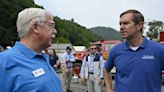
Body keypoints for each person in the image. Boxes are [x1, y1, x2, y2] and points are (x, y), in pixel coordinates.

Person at [0, 8, 62, 92]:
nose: (55, 31)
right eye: (51, 25)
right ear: (36, 27)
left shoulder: (43, 57)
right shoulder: (4, 61)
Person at [104, 9, 164, 92]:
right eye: (120, 24)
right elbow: (106, 70)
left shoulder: (159, 50)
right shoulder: (115, 50)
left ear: (139, 25)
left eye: (126, 23)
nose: (121, 27)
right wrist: (109, 89)